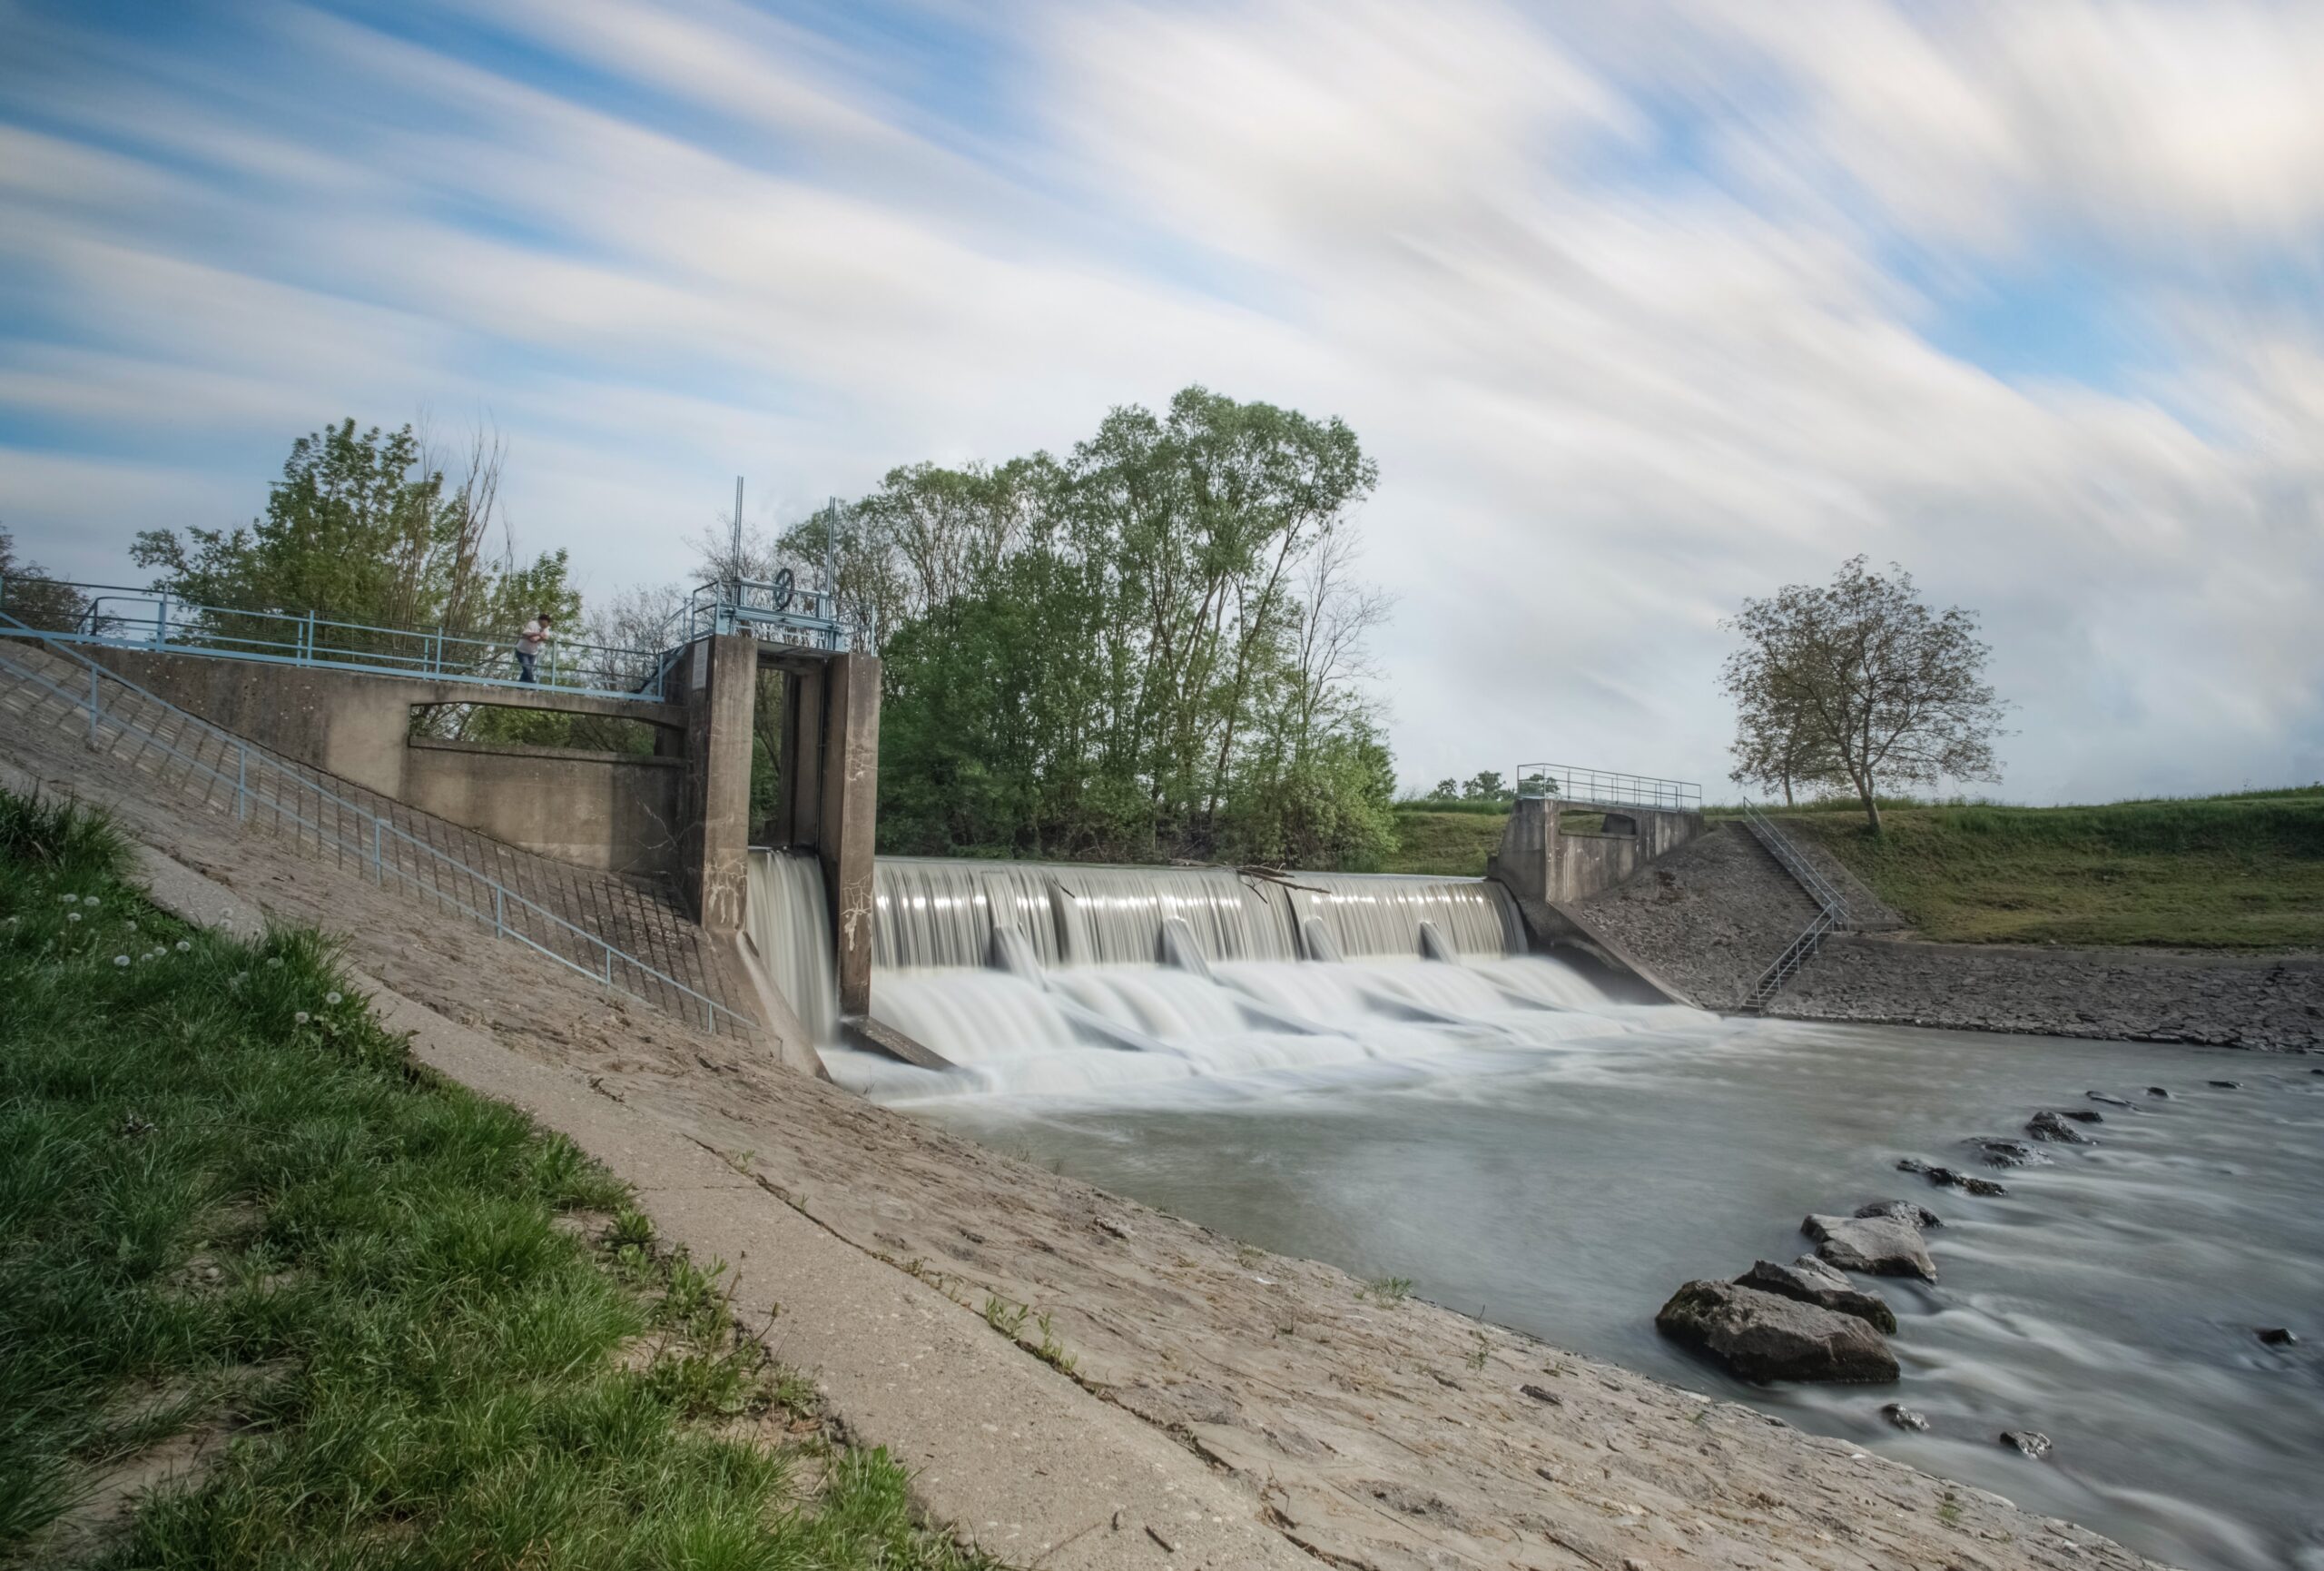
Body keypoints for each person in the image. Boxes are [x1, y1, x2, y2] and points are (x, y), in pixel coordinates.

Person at [515, 612, 553, 684]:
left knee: (527, 671)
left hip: (533, 653)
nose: (547, 626)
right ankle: (533, 685)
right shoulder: (532, 624)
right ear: (542, 621)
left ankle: (519, 688)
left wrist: (538, 638)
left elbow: (545, 637)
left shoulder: (546, 628)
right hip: (522, 651)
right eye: (546, 623)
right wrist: (538, 634)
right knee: (527, 668)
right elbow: (525, 634)